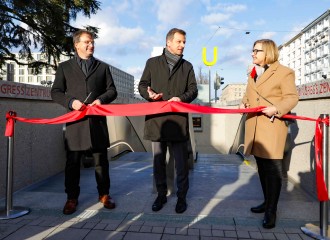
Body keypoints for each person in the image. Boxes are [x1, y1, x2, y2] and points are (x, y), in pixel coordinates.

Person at [51, 29, 118, 215]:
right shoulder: (64, 67)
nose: (91, 45)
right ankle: (71, 198)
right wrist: (71, 102)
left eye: (92, 42)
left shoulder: (103, 67)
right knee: (72, 163)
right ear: (77, 44)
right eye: (87, 42)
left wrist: (101, 100)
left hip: (97, 122)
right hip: (75, 123)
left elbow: (112, 91)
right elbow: (55, 92)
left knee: (101, 161)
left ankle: (104, 194)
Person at [239, 39, 299, 228]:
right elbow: (248, 95)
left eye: (256, 50)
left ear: (268, 52)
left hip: (272, 127)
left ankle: (271, 211)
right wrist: (244, 104)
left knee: (273, 170)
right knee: (262, 169)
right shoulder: (253, 73)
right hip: (254, 127)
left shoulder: (284, 72)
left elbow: (291, 97)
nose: (252, 53)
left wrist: (276, 108)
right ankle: (266, 202)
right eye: (252, 50)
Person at [138, 28, 198, 214]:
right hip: (157, 122)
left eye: (184, 42)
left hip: (178, 122)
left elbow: (193, 90)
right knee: (158, 163)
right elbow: (142, 85)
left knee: (181, 164)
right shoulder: (152, 63)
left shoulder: (187, 66)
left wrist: (181, 98)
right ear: (169, 42)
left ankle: (181, 198)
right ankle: (161, 195)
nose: (182, 45)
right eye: (179, 41)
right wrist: (149, 95)